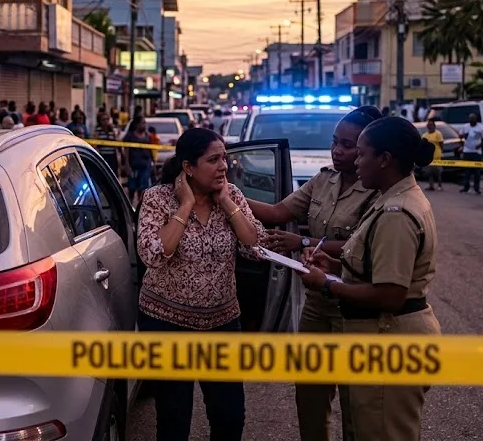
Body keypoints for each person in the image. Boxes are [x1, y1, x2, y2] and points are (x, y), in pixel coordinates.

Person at [298, 116, 440, 441]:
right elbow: (371, 268)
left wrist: (326, 283)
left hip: (390, 338)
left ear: (385, 159)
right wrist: (333, 266)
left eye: (361, 153)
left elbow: (390, 294)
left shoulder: (396, 214)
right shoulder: (391, 202)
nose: (354, 161)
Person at [246, 105, 383, 441]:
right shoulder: (324, 179)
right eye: (335, 142)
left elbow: (361, 244)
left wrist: (303, 240)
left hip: (354, 307)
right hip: (317, 305)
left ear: (369, 149)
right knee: (310, 398)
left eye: (348, 145)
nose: (337, 150)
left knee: (356, 404)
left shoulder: (380, 190)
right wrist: (227, 194)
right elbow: (278, 211)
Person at [136, 127, 266, 441]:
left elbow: (254, 245)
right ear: (188, 167)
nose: (223, 166)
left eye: (225, 158)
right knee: (174, 416)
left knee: (229, 416)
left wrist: (226, 202)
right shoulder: (157, 198)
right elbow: (153, 253)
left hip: (221, 322)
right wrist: (184, 206)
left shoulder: (231, 195)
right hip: (166, 324)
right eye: (213, 160)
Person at [123, 115, 153, 206]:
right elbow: (126, 152)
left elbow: (150, 150)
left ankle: (140, 208)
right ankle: (130, 206)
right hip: (133, 166)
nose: (144, 125)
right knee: (131, 188)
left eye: (145, 123)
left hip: (144, 166)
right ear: (137, 124)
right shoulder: (130, 136)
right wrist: (127, 165)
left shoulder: (147, 136)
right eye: (142, 123)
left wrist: (153, 164)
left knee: (143, 189)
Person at [459, 113, 483, 194]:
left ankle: (477, 188)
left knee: (477, 172)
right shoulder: (465, 127)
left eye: (473, 119)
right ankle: (466, 187)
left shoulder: (480, 127)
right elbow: (460, 136)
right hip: (467, 151)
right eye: (470, 119)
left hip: (476, 152)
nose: (472, 120)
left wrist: (479, 146)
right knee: (466, 171)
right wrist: (463, 136)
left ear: (476, 119)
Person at [423, 118, 445, 191]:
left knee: (438, 173)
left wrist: (441, 152)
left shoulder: (438, 134)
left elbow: (441, 144)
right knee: (430, 173)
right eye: (429, 125)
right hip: (428, 157)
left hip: (437, 157)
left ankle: (439, 185)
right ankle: (431, 186)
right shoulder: (424, 135)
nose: (430, 126)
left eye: (431, 125)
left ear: (434, 126)